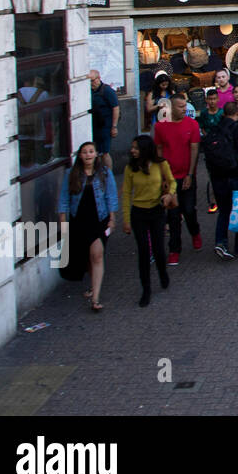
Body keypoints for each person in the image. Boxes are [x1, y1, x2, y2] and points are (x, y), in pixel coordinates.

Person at [57, 141, 118, 311]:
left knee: (97, 255)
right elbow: (64, 198)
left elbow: (111, 196)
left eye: (91, 151)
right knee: (89, 257)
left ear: (96, 154)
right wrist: (63, 220)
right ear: (80, 155)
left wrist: (112, 219)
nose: (88, 155)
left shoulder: (105, 173)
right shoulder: (72, 174)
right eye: (84, 152)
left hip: (99, 219)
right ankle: (92, 286)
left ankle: (96, 299)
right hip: (79, 220)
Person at [119, 134, 173, 306]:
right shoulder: (130, 168)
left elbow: (172, 182)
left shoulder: (160, 164)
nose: (132, 150)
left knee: (158, 248)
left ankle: (163, 273)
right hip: (139, 214)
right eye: (132, 147)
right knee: (143, 252)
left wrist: (169, 195)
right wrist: (126, 220)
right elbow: (127, 194)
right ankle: (146, 289)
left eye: (136, 147)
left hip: (157, 211)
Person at [153, 92, 201, 265]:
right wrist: (162, 177)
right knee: (173, 215)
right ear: (171, 108)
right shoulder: (160, 126)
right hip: (170, 178)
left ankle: (195, 232)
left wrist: (190, 174)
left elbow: (194, 150)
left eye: (185, 106)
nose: (185, 109)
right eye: (181, 107)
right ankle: (174, 249)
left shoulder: (193, 124)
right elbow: (158, 151)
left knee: (189, 210)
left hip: (187, 176)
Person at [210, 102, 238, 260]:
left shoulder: (215, 128)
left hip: (218, 177)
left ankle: (221, 242)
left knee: (224, 211)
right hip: (235, 175)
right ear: (237, 112)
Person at [88, 69, 120, 167]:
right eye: (89, 81)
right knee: (96, 152)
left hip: (105, 126)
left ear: (98, 78)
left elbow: (115, 108)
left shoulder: (107, 90)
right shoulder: (89, 91)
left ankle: (109, 176)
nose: (91, 83)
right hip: (94, 125)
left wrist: (114, 126)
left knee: (105, 152)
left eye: (92, 80)